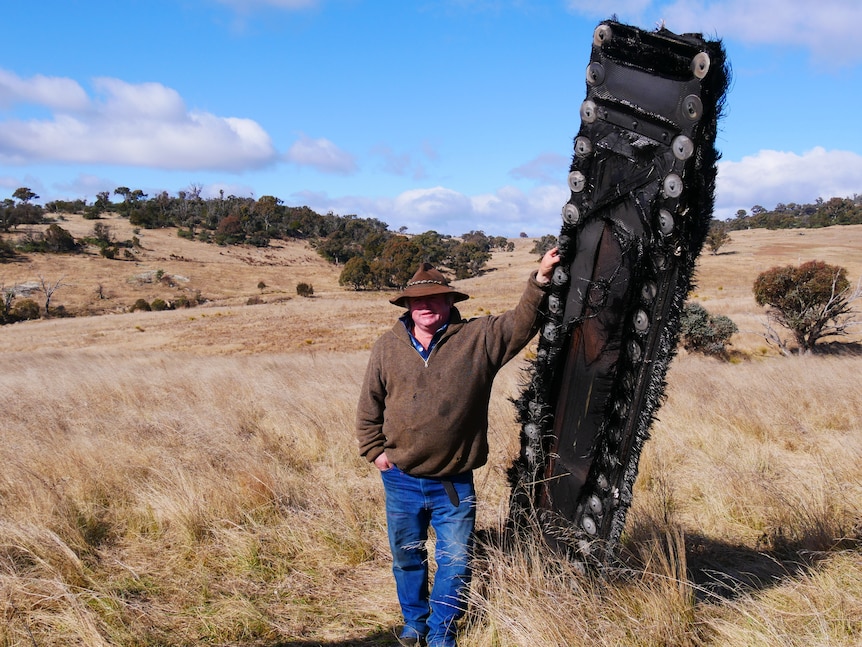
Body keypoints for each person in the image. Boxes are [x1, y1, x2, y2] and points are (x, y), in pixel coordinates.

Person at [356, 248, 560, 647]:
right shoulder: (386, 346)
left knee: (455, 560)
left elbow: (521, 323)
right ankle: (415, 622)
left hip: (454, 483)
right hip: (400, 479)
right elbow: (369, 407)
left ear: (451, 301)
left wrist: (540, 280)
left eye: (435, 298)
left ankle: (442, 632)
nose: (426, 306)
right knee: (407, 556)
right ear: (408, 306)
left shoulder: (477, 339)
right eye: (418, 300)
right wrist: (375, 452)